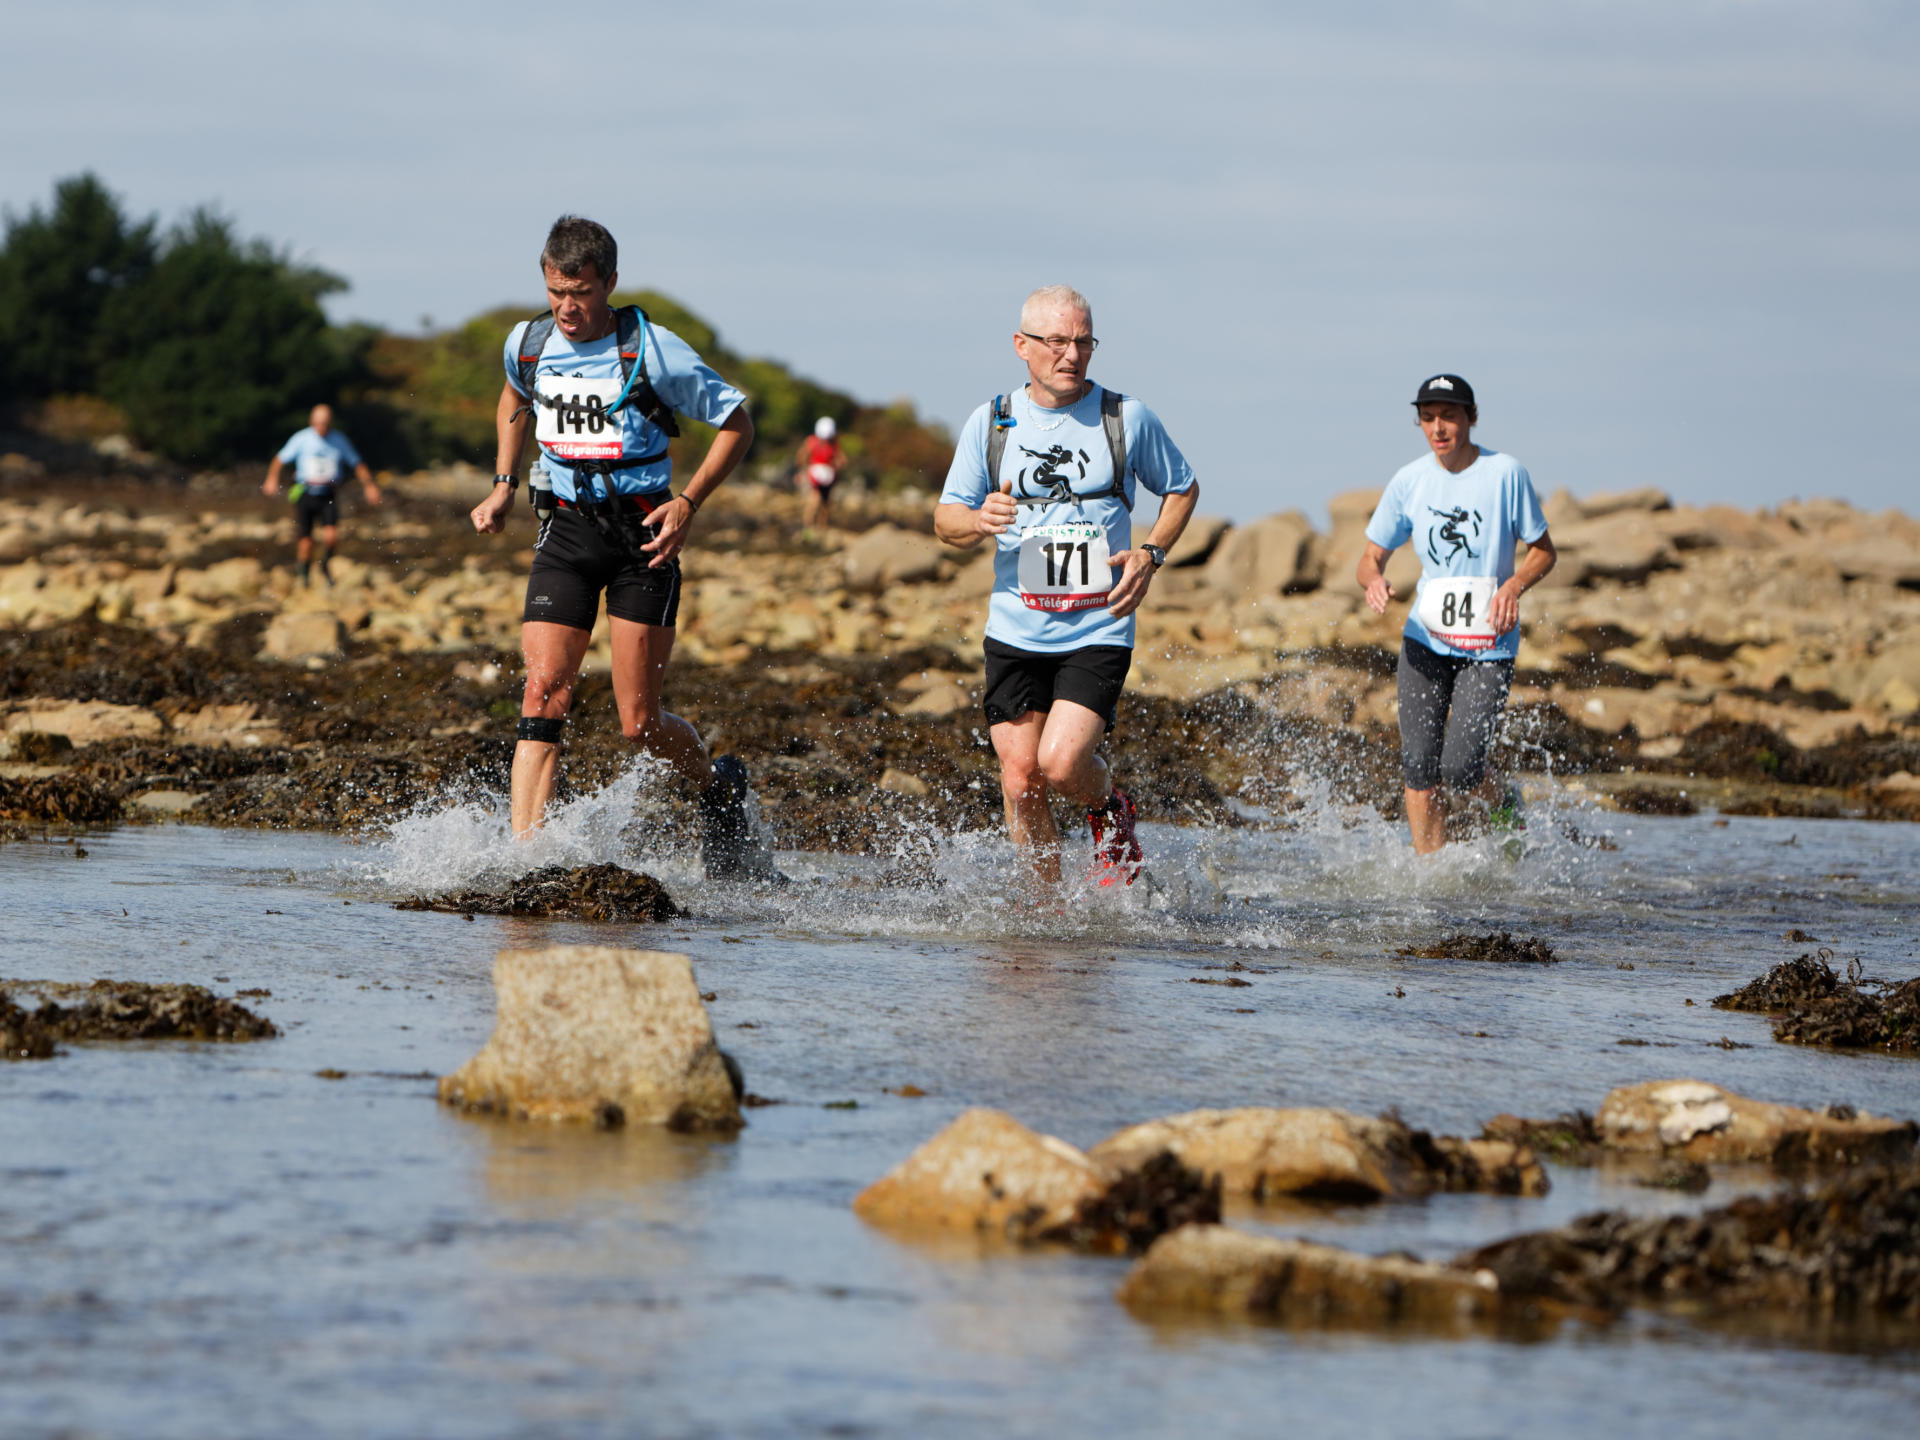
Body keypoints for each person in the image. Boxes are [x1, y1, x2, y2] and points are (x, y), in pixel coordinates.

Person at [468, 214, 774, 878]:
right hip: (567, 530)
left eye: (579, 292)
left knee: (637, 724)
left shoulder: (653, 348)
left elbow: (736, 424)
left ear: (608, 281)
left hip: (644, 538)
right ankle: (527, 864)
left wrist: (688, 502)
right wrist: (502, 483)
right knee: (544, 689)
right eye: (555, 292)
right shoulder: (529, 342)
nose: (567, 308)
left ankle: (716, 787)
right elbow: (514, 397)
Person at [934, 285, 1198, 888]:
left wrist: (1151, 554)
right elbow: (944, 517)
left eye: (1083, 341)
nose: (1071, 354)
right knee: (1020, 777)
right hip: (1015, 628)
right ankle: (1044, 912)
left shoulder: (1125, 417)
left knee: (1060, 764)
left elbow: (1182, 489)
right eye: (1056, 341)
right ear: (1022, 346)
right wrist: (976, 520)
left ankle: (1109, 807)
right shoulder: (993, 420)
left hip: (1097, 624)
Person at [1356, 374, 1557, 855]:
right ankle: (1433, 879)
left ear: (1471, 418)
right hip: (1424, 641)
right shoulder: (1410, 480)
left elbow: (1544, 551)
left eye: (1449, 416)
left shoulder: (1506, 473)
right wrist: (1374, 580)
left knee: (1461, 767)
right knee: (1420, 769)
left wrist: (1514, 584)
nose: (1438, 427)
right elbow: (1369, 557)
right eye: (1428, 418)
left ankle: (1505, 804)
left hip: (1488, 646)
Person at [262, 404, 382, 585]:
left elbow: (357, 463)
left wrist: (370, 486)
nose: (321, 427)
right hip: (305, 492)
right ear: (312, 422)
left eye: (324, 423)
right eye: (317, 423)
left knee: (331, 536)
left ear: (330, 423)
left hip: (328, 494)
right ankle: (304, 576)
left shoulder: (339, 440)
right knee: (306, 542)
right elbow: (279, 459)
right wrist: (271, 480)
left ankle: (325, 565)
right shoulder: (301, 438)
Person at [794, 416, 845, 531]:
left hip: (824, 474)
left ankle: (816, 528)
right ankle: (810, 527)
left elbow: (801, 457)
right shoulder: (819, 442)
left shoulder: (816, 442)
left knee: (823, 503)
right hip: (822, 474)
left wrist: (800, 472)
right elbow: (842, 461)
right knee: (818, 500)